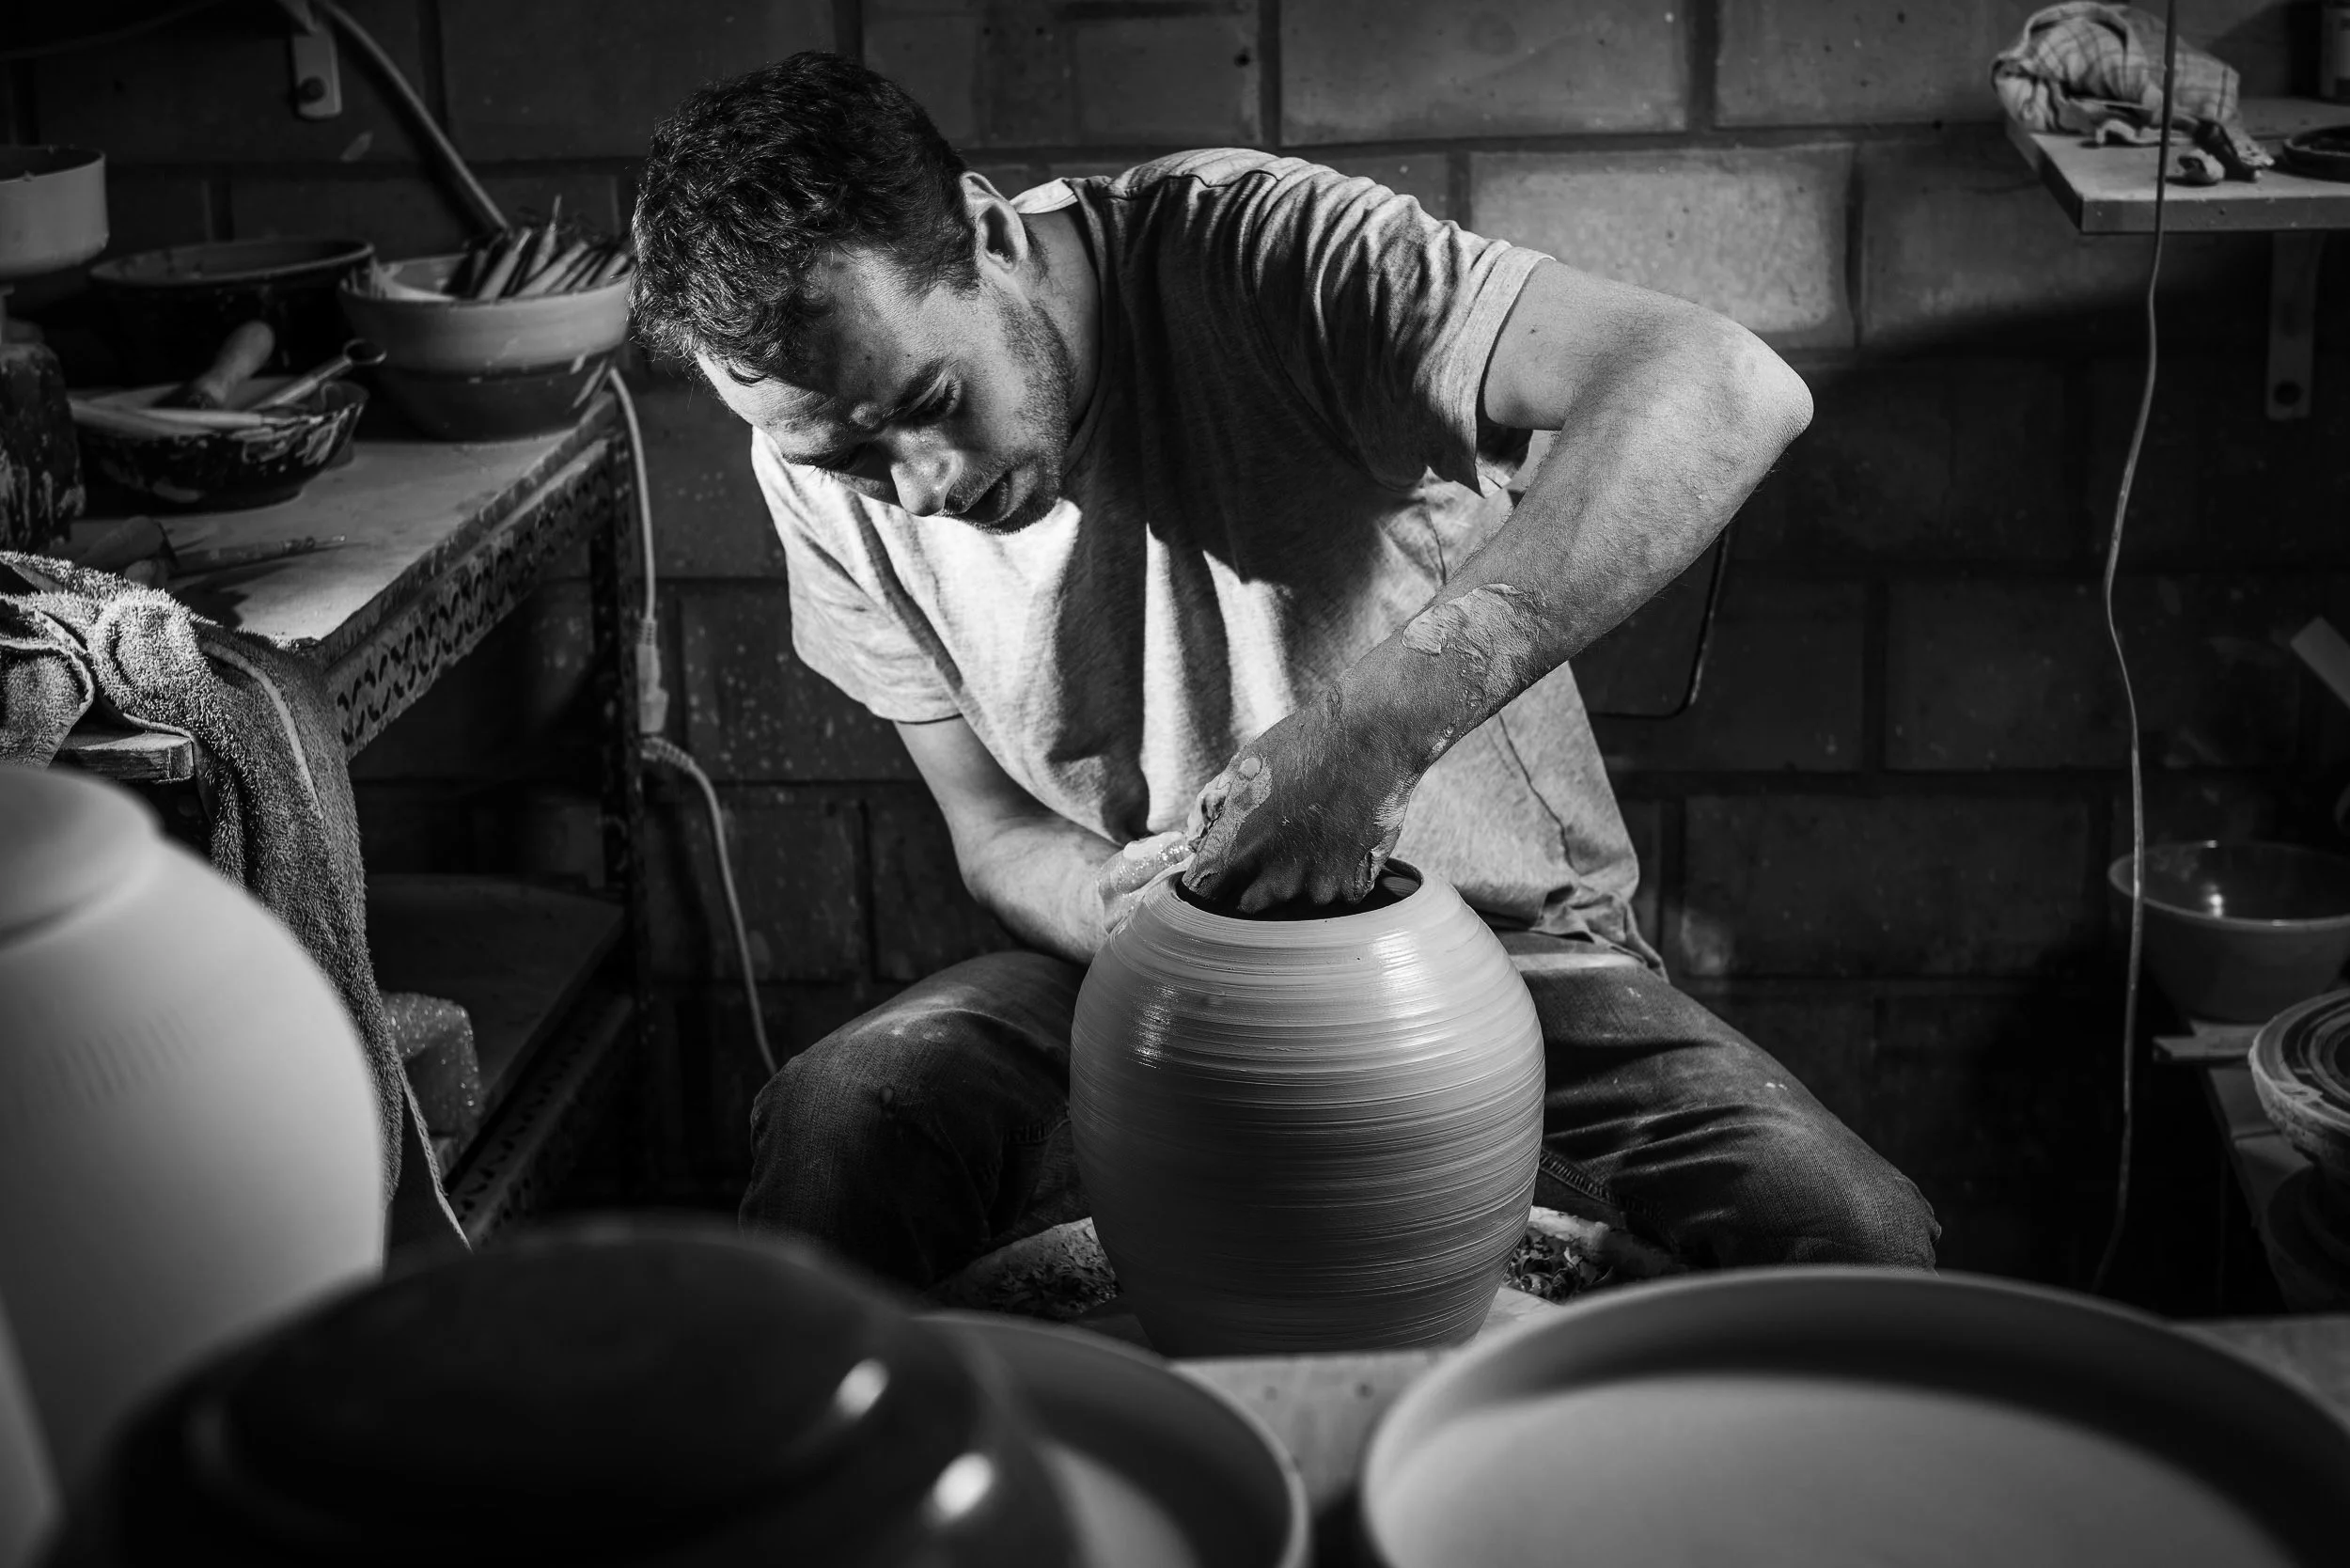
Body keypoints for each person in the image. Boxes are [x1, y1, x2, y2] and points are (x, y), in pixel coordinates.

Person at [631, 52, 1938, 1288]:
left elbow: (1721, 384)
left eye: (927, 404)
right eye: (843, 459)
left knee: (1847, 1231)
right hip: (1140, 968)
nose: (918, 489)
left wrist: (1366, 741)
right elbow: (993, 833)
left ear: (990, 236)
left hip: (1484, 950)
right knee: (840, 1123)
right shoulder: (813, 466)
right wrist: (1114, 908)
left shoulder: (1254, 251)